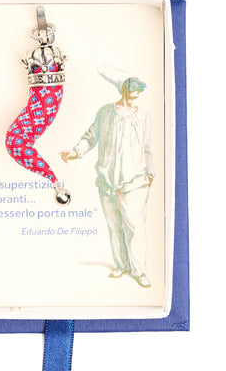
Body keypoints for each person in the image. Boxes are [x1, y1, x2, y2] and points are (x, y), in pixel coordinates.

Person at [60, 64, 155, 288]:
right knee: (114, 226)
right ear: (123, 90)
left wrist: (150, 173)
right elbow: (91, 136)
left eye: (137, 91)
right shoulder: (105, 113)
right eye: (131, 90)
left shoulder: (143, 117)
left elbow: (147, 148)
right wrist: (76, 152)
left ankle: (139, 270)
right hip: (107, 183)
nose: (135, 95)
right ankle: (121, 265)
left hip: (135, 182)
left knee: (135, 228)